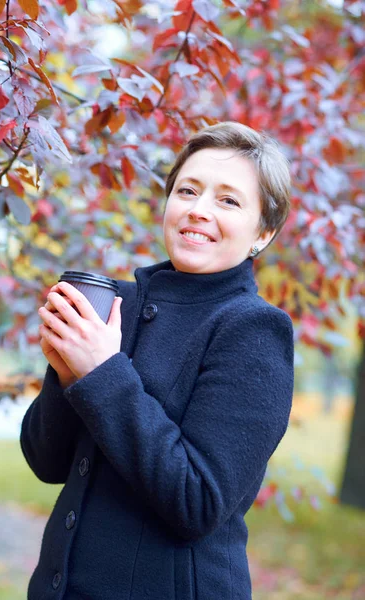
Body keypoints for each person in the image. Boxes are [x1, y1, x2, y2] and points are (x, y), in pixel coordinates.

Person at [20, 121, 295, 600]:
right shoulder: (117, 307)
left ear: (263, 233)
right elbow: (46, 464)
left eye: (228, 200)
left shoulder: (254, 330)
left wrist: (100, 373)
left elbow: (198, 501)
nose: (198, 210)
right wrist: (67, 375)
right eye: (187, 190)